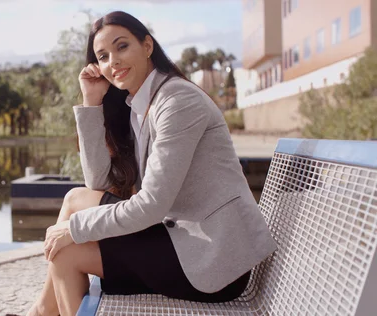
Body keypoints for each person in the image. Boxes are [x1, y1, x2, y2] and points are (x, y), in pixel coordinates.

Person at [27, 10, 278, 316]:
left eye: (122, 47)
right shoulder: (140, 105)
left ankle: (41, 313)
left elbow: (152, 205)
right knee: (76, 198)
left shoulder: (176, 101)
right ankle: (41, 311)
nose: (113, 62)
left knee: (67, 253)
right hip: (184, 237)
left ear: (147, 46)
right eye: (103, 56)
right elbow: (99, 185)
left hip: (212, 258)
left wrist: (74, 230)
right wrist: (92, 102)